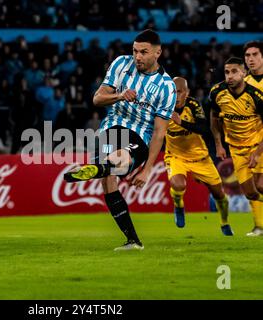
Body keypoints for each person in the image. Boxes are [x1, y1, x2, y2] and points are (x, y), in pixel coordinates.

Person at [64, 29, 177, 251]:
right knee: (108, 181)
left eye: (144, 52)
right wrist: (119, 95)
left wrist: (147, 170)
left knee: (120, 161)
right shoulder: (120, 64)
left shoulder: (166, 86)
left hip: (141, 135)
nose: (138, 57)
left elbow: (159, 133)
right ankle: (133, 241)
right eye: (135, 51)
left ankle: (95, 168)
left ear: (158, 53)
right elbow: (97, 98)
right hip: (112, 127)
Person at [165, 77, 233, 235]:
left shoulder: (193, 105)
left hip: (200, 157)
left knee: (219, 194)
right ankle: (179, 206)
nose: (175, 95)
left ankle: (224, 222)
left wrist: (181, 122)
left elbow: (204, 128)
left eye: (179, 92)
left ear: (187, 93)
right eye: (172, 92)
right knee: (178, 185)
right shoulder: (163, 107)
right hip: (176, 157)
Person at [209, 57, 263, 237]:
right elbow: (214, 119)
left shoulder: (256, 96)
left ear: (244, 73)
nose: (229, 76)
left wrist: (257, 153)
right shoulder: (217, 92)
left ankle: (260, 226)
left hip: (257, 145)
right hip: (236, 149)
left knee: (261, 185)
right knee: (250, 193)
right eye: (226, 72)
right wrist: (218, 144)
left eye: (234, 72)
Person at [244, 41, 263, 235]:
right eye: (248, 56)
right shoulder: (244, 84)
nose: (251, 59)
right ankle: (259, 226)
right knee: (254, 186)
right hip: (252, 142)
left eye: (255, 54)